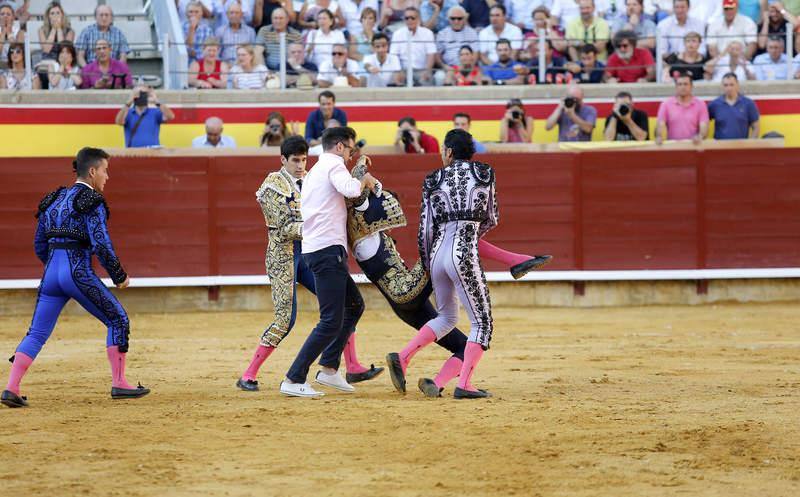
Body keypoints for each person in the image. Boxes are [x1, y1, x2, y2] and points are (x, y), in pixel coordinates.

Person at [348, 156, 550, 397]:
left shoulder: (366, 241)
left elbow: (358, 204)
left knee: (461, 339)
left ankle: (433, 380)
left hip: (406, 302)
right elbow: (358, 201)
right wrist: (361, 170)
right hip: (407, 292)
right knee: (453, 235)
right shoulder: (366, 241)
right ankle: (516, 261)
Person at [1, 147, 149, 409]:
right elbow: (101, 244)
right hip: (76, 271)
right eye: (105, 171)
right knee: (117, 318)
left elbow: (39, 244)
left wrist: (54, 269)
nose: (106, 177)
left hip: (50, 275)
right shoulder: (92, 201)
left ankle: (11, 387)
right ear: (92, 171)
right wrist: (119, 276)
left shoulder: (53, 199)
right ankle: (120, 382)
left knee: (37, 332)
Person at [237, 136, 380, 391]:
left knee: (343, 304)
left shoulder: (312, 177)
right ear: (283, 160)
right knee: (286, 319)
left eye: (304, 159)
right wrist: (319, 227)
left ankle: (350, 365)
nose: (301, 165)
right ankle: (249, 373)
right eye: (295, 160)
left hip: (308, 251)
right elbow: (281, 229)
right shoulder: (272, 184)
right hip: (284, 256)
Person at [388, 128, 498, 400]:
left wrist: (428, 263)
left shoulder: (433, 179)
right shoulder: (484, 174)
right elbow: (492, 217)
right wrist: (470, 235)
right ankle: (465, 384)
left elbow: (425, 229)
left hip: (437, 254)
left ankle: (403, 358)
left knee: (447, 317)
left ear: (449, 151)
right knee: (482, 324)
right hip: (463, 254)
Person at [280, 127, 380, 397]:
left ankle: (329, 368)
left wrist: (357, 170)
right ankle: (293, 377)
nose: (350, 155)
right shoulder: (334, 165)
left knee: (353, 305)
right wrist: (364, 177)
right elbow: (350, 190)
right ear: (338, 147)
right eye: (349, 149)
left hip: (321, 249)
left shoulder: (317, 169)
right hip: (326, 250)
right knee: (330, 319)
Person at [654, 72, 708, 144]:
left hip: (693, 146)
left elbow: (704, 128)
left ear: (691, 86)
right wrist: (659, 136)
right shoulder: (666, 104)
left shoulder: (701, 104)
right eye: (680, 84)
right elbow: (660, 125)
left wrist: (700, 136)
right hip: (672, 147)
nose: (683, 87)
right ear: (676, 87)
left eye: (685, 84)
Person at [390, 7, 437, 86]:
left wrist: (427, 70)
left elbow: (431, 54)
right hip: (403, 70)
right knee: (394, 80)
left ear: (418, 19)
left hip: (421, 70)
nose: (410, 20)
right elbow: (394, 55)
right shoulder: (397, 34)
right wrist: (398, 71)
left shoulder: (427, 33)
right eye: (407, 18)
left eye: (412, 18)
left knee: (427, 81)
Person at [707, 72, 760, 139]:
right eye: (726, 85)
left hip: (741, 147)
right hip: (720, 147)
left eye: (732, 85)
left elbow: (756, 127)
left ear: (737, 85)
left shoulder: (748, 104)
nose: (729, 88)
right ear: (722, 86)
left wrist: (750, 144)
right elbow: (703, 122)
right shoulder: (714, 104)